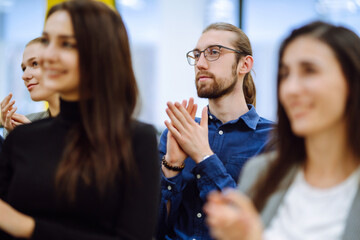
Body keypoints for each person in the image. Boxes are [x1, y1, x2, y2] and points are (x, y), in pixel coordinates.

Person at [0, 0, 159, 239]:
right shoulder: (21, 139)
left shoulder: (136, 140)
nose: (47, 55)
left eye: (65, 44)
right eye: (47, 41)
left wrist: (27, 227)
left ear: (100, 53)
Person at [204, 21, 360, 240]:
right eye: (285, 74)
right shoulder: (261, 173)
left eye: (310, 71)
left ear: (352, 82)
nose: (291, 88)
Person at [157, 22, 273, 239]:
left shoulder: (271, 140)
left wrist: (203, 156)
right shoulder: (178, 133)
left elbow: (254, 225)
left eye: (213, 53)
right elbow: (153, 228)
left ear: (244, 64)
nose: (200, 63)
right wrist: (171, 167)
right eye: (197, 54)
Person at [1, 37, 60, 137]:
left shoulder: (92, 123)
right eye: (24, 69)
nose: (24, 76)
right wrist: (16, 139)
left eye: (35, 63)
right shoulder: (22, 126)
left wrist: (34, 140)